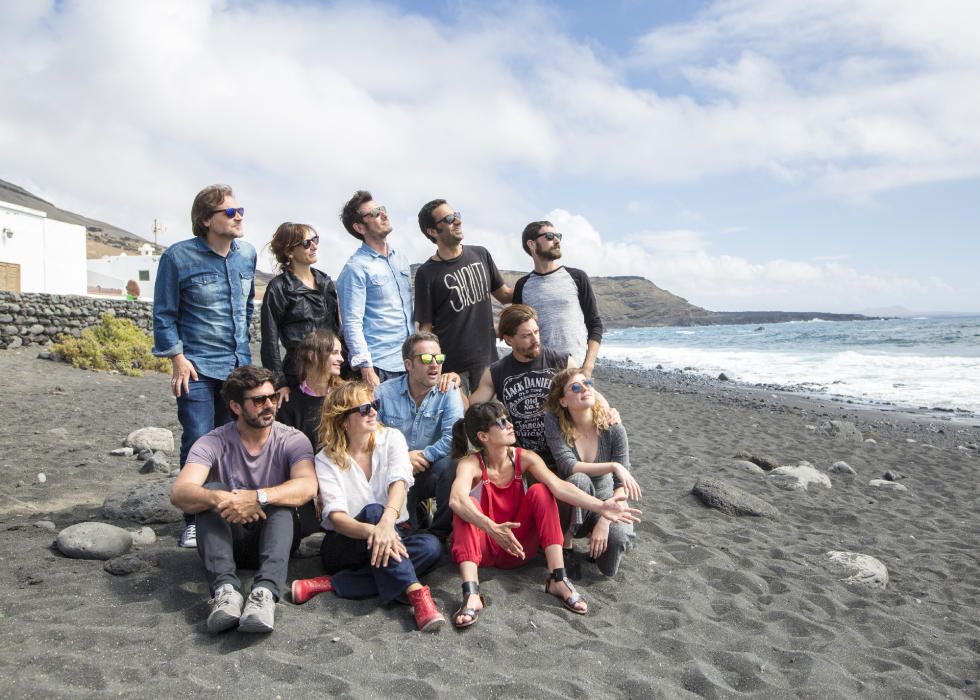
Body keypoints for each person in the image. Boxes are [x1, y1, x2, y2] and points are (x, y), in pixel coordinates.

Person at [447, 401, 641, 628]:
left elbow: (560, 487)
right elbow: (455, 499)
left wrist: (602, 506)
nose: (510, 425)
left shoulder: (524, 457)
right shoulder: (471, 463)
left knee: (541, 490)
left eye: (507, 419)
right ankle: (471, 594)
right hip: (483, 551)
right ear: (483, 436)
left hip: (519, 548)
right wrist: (491, 527)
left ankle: (557, 578)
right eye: (501, 422)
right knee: (465, 505)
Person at [170, 366, 317, 634]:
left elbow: (308, 485)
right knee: (209, 492)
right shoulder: (212, 442)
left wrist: (258, 497)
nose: (269, 405)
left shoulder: (293, 440)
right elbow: (180, 492)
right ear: (236, 406)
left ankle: (265, 593)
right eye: (259, 400)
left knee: (281, 500)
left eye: (272, 397)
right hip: (229, 538)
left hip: (275, 536)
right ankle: (225, 592)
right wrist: (225, 499)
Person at [290, 382, 445, 632]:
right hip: (345, 542)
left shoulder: (392, 438)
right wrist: (376, 530)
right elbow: (337, 518)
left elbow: (400, 482)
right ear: (343, 421)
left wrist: (385, 525)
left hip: (393, 531)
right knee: (373, 511)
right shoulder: (325, 459)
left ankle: (331, 584)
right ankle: (416, 593)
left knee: (431, 548)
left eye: (374, 405)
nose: (373, 412)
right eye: (363, 409)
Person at [153, 184, 256, 549]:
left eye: (239, 209)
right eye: (229, 212)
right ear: (205, 219)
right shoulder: (178, 257)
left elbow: (246, 310)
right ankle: (196, 519)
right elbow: (164, 314)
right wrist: (177, 359)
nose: (238, 216)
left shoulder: (247, 255)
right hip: (196, 368)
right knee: (198, 440)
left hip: (237, 367)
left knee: (234, 443)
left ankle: (225, 513)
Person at [543, 368, 641, 577]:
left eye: (587, 383)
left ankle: (611, 540)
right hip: (574, 503)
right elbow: (568, 465)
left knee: (608, 566)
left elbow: (621, 486)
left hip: (609, 502)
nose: (584, 389)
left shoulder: (613, 429)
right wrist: (613, 465)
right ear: (563, 401)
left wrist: (605, 521)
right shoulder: (556, 426)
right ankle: (566, 547)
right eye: (575, 387)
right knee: (578, 479)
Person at [413, 199, 513, 393]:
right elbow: (425, 329)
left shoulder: (481, 254)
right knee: (461, 423)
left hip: (489, 364)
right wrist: (431, 367)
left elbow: (505, 295)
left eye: (457, 215)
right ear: (432, 231)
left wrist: (536, 280)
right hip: (452, 372)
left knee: (493, 421)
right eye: (449, 219)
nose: (457, 221)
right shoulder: (426, 273)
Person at [374, 332, 464, 533]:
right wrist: (403, 460)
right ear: (408, 364)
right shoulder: (382, 393)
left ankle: (441, 533)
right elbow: (371, 439)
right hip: (392, 473)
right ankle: (414, 518)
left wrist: (423, 456)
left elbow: (453, 438)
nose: (434, 364)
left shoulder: (449, 392)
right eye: (425, 359)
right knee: (405, 534)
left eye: (438, 358)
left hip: (427, 469)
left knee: (454, 464)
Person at [470, 304, 569, 466]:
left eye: (536, 332)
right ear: (509, 339)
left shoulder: (560, 361)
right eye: (526, 336)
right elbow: (472, 407)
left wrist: (608, 410)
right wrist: (454, 383)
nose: (535, 340)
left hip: (564, 453)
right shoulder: (496, 372)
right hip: (524, 459)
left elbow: (588, 390)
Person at [336, 191, 413, 388]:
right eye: (376, 213)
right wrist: (366, 369)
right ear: (359, 227)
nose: (384, 215)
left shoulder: (401, 260)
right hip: (380, 366)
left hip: (410, 362)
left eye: (383, 210)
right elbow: (351, 323)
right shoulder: (355, 268)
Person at [276, 329, 345, 538]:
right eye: (334, 352)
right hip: (305, 482)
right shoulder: (290, 404)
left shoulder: (345, 398)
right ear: (314, 355)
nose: (341, 359)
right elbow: (284, 456)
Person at [261, 222, 341, 403]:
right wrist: (279, 382)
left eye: (315, 240)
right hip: (297, 372)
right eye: (306, 243)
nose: (314, 246)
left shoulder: (325, 282)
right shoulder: (279, 288)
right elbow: (269, 340)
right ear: (289, 252)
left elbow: (336, 329)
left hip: (329, 370)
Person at [514, 221, 603, 376]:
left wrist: (588, 367)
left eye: (558, 236)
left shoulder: (577, 277)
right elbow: (518, 333)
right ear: (532, 244)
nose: (557, 240)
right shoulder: (522, 286)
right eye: (549, 236)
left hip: (577, 371)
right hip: (540, 374)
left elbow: (595, 324)